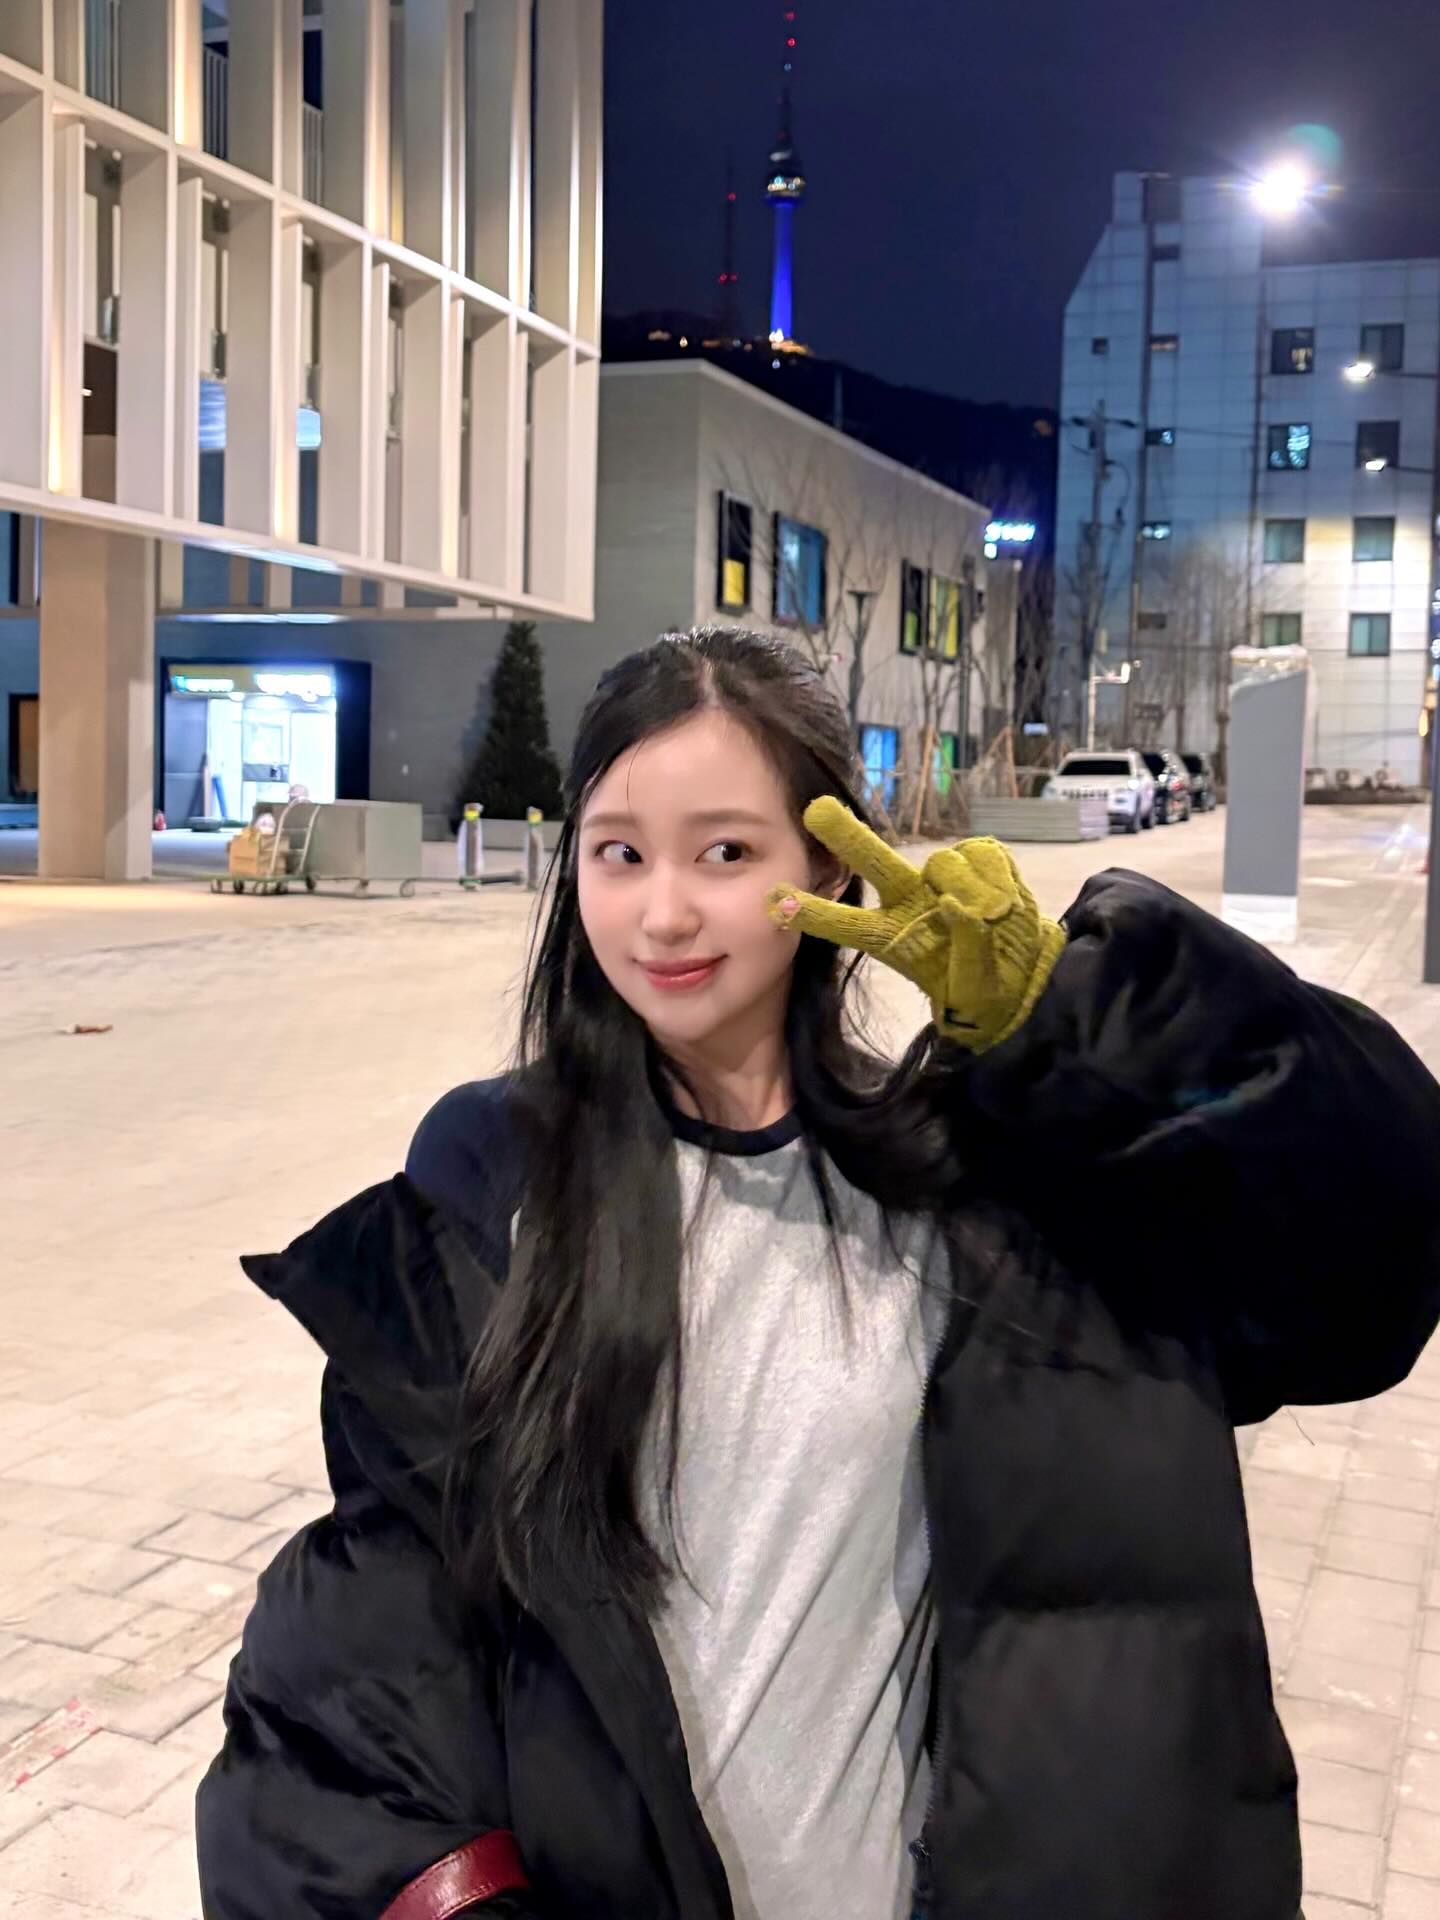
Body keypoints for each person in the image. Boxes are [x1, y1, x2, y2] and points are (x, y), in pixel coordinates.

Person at [197, 628, 1440, 1920]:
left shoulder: (974, 1180)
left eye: (726, 853)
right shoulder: (492, 1173)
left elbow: (1367, 1277)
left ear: (827, 864)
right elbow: (380, 1636)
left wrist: (1077, 1021)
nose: (664, 912)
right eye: (620, 853)